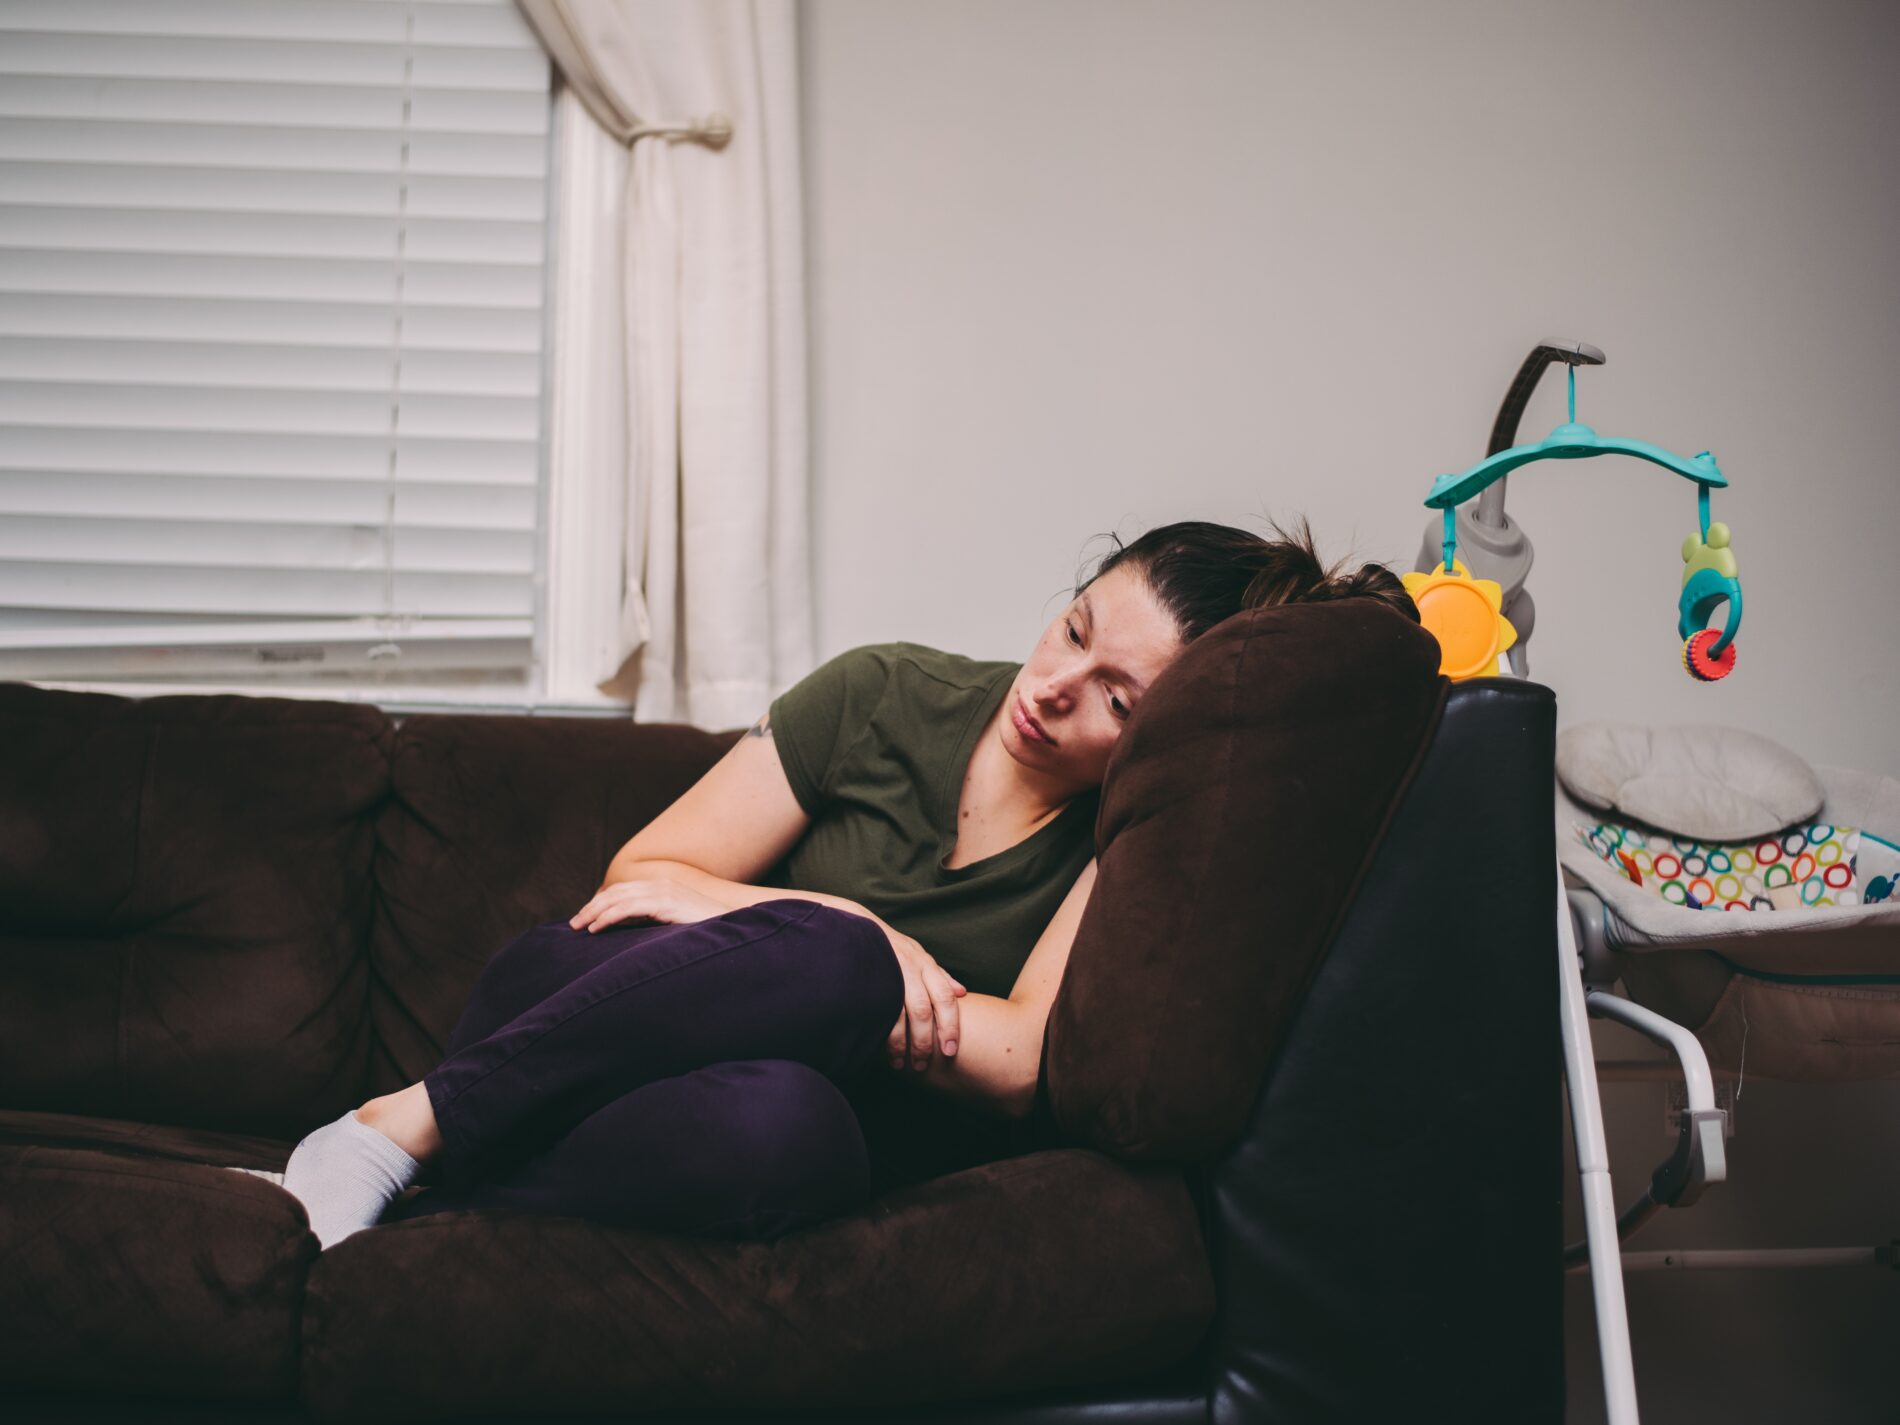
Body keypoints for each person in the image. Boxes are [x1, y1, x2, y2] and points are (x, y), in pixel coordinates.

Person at [279, 518, 1419, 1249]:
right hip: (558, 1017)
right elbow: (646, 875)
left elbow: (1021, 1064)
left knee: (795, 1137)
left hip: (732, 1117)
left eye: (1116, 699)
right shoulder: (882, 693)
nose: (1055, 685)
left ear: (1164, 730)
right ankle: (398, 1125)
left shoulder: (1129, 840)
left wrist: (852, 975)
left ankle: (433, 1207)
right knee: (843, 956)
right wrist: (855, 940)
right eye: (1071, 629)